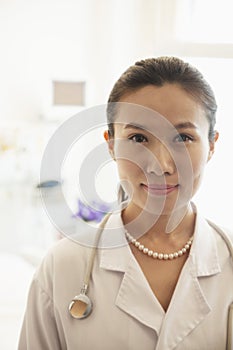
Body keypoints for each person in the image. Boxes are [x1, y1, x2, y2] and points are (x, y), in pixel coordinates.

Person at [18, 57, 233, 350]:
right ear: (111, 145)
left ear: (211, 145)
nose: (161, 164)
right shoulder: (63, 266)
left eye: (183, 137)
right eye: (139, 138)